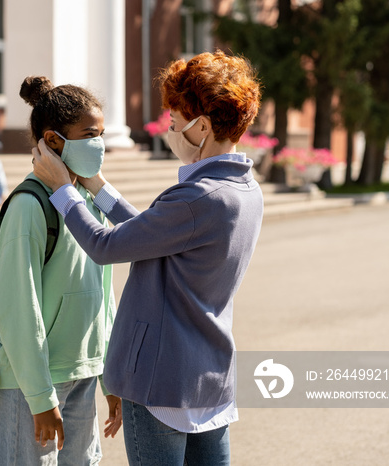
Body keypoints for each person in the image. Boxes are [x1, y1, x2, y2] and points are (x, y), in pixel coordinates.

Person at [33, 51, 263, 465]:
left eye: (175, 123)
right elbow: (158, 234)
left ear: (203, 127)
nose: (169, 131)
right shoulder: (243, 190)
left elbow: (106, 246)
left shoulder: (198, 197)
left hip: (161, 380)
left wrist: (61, 190)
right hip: (209, 377)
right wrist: (96, 186)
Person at [0, 76, 122, 465]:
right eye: (90, 134)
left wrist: (109, 377)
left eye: (101, 134)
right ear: (54, 140)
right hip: (33, 384)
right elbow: (17, 307)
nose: (100, 144)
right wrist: (40, 398)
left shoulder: (86, 203)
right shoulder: (30, 205)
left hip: (82, 373)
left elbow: (104, 296)